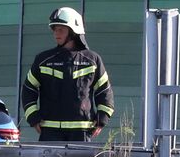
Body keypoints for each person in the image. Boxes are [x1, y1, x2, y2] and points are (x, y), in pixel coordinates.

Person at [21, 7, 114, 142]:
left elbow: (105, 91)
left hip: (82, 132)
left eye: (61, 30)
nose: (56, 34)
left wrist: (101, 119)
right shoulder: (43, 60)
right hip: (50, 132)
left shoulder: (92, 60)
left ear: (73, 32)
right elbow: (28, 90)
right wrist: (33, 118)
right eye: (54, 29)